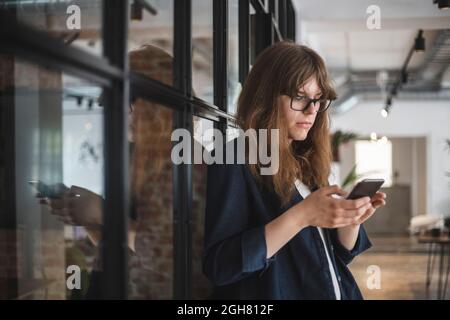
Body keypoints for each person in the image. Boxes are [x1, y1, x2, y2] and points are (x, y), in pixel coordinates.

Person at [202, 41, 387, 300]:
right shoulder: (233, 157)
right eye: (300, 97)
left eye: (318, 100)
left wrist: (351, 219)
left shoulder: (305, 159)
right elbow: (221, 266)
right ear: (266, 96)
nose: (312, 111)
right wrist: (301, 216)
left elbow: (336, 256)